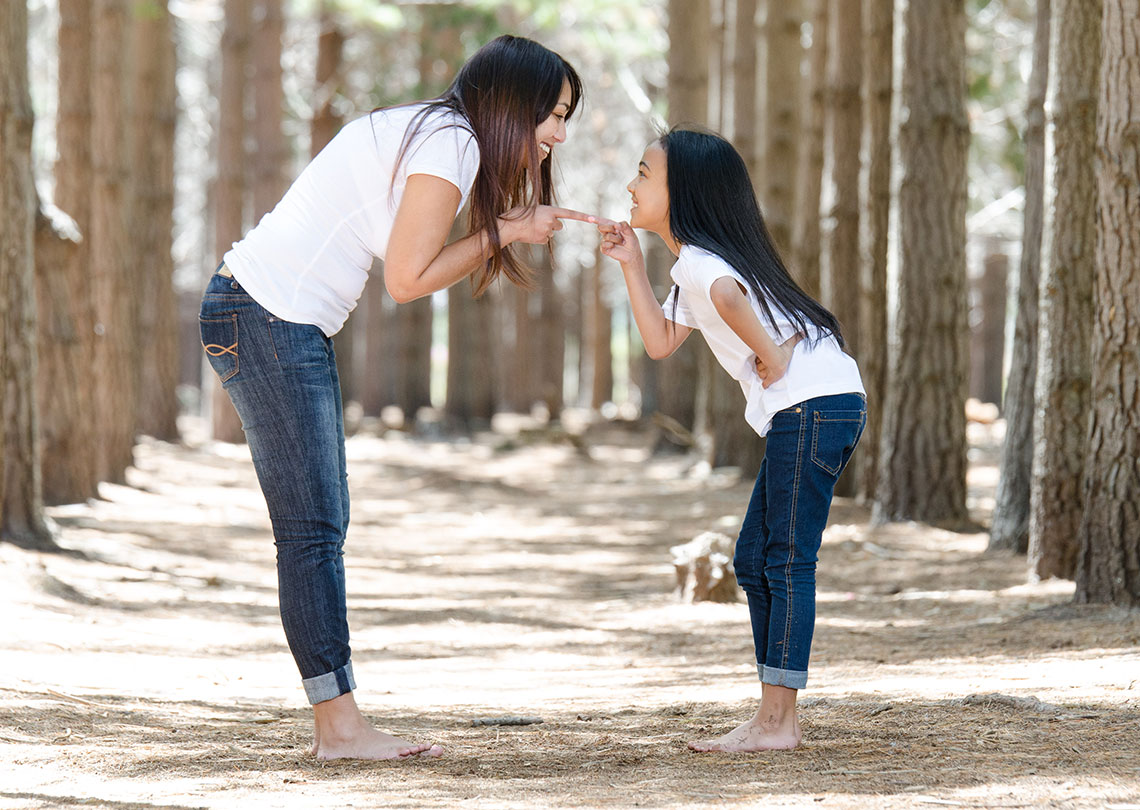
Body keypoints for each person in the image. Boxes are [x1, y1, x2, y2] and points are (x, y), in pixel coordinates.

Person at [199, 35, 596, 761]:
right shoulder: (451, 142)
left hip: (268, 315)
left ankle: (339, 723)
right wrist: (508, 229)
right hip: (267, 316)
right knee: (312, 530)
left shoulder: (434, 132)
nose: (559, 136)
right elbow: (407, 280)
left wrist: (504, 225)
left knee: (320, 525)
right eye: (555, 114)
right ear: (515, 103)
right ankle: (340, 730)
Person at [598, 128, 865, 752]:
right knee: (753, 558)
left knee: (785, 559)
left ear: (683, 191)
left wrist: (770, 352)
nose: (632, 186)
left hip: (813, 406)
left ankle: (779, 723)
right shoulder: (694, 262)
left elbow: (726, 295)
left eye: (644, 174)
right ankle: (772, 717)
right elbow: (660, 342)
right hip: (817, 405)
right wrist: (632, 263)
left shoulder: (702, 265)